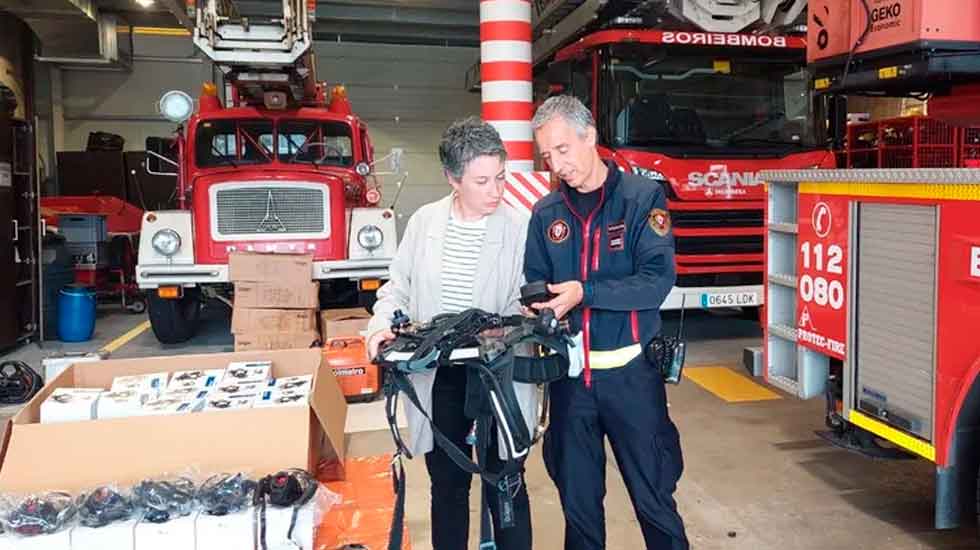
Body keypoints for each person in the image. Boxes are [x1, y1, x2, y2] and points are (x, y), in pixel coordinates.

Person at [524, 95, 689, 550]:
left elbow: (656, 282)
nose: (558, 164)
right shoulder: (546, 214)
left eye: (564, 150)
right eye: (548, 155)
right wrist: (538, 305)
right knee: (578, 510)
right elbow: (535, 279)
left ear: (590, 137)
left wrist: (584, 293)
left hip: (632, 379)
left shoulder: (641, 199)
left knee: (655, 500)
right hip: (570, 381)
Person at [365, 116, 536, 550]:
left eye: (501, 177)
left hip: (498, 376)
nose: (496, 191)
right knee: (447, 485)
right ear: (452, 179)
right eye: (483, 181)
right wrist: (382, 326)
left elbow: (529, 301)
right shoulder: (425, 223)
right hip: (440, 375)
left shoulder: (520, 227)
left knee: (505, 482)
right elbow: (397, 287)